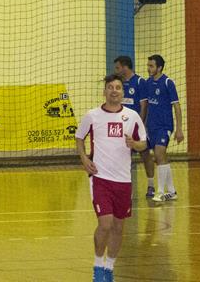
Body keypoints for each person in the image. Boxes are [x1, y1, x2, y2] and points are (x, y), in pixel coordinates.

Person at [76, 74, 147, 282]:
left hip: (123, 181)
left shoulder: (132, 116)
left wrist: (134, 144)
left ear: (122, 92)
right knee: (105, 224)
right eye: (110, 87)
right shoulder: (92, 115)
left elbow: (143, 143)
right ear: (104, 91)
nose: (114, 91)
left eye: (118, 87)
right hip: (100, 178)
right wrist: (84, 159)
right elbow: (79, 137)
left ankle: (109, 268)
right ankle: (98, 267)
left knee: (118, 227)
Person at [142, 54, 184, 202]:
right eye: (148, 66)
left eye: (151, 66)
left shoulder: (167, 82)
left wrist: (179, 129)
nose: (148, 68)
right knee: (161, 158)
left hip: (164, 126)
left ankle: (160, 192)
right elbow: (146, 106)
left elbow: (177, 107)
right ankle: (171, 191)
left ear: (159, 67)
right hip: (151, 127)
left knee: (159, 154)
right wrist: (143, 125)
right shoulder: (147, 83)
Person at [113, 55, 152, 195]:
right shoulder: (118, 83)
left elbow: (144, 106)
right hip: (122, 127)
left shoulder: (140, 82)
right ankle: (123, 186)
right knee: (122, 156)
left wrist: (140, 125)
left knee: (145, 154)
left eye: (118, 68)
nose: (116, 70)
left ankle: (151, 185)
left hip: (136, 126)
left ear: (125, 67)